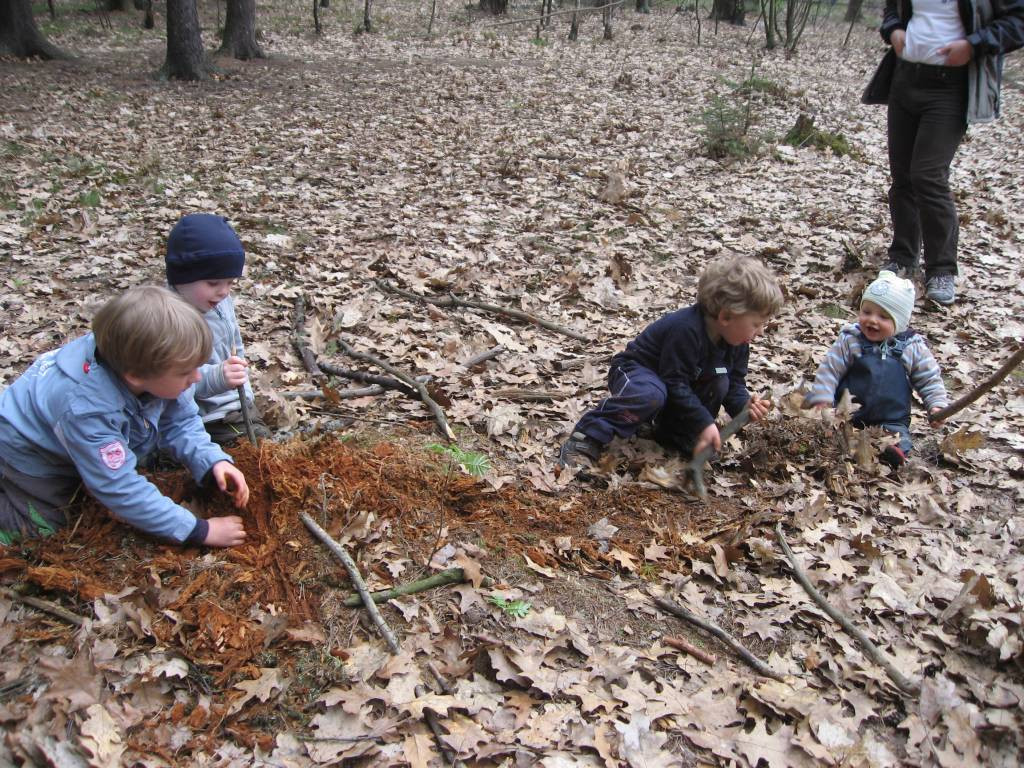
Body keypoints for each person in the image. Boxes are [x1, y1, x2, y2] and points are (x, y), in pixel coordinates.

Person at [0, 286, 249, 547]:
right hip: (27, 447)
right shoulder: (88, 409)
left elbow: (181, 422)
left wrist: (212, 462)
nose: (197, 378)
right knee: (43, 527)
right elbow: (117, 486)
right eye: (186, 372)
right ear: (136, 376)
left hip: (69, 432)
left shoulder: (150, 365)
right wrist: (198, 530)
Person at [559, 256, 784, 468]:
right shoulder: (686, 329)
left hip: (675, 383)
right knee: (650, 393)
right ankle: (587, 436)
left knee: (719, 381)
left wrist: (745, 406)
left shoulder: (737, 341)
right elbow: (674, 382)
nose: (761, 332)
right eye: (756, 324)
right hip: (638, 372)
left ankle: (676, 433)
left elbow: (734, 383)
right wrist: (704, 423)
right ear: (725, 316)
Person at [877, 0, 1024, 305]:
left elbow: (1018, 19)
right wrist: (894, 30)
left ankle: (941, 269)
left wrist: (974, 44)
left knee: (927, 175)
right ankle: (902, 258)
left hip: (951, 86)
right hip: (905, 78)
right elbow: (892, 9)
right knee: (902, 176)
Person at [804, 271, 949, 467]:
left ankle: (891, 454)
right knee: (836, 436)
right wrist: (823, 396)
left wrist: (936, 404)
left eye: (883, 316)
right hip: (847, 415)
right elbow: (830, 369)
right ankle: (842, 447)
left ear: (900, 322)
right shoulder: (851, 340)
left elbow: (929, 379)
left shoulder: (912, 347)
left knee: (898, 438)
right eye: (867, 312)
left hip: (891, 420)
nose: (872, 320)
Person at [165, 213, 271, 445]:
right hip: (203, 417)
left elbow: (235, 345)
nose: (223, 291)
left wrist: (243, 384)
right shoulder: (168, 319)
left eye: (230, 282)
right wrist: (217, 377)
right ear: (181, 278)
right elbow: (169, 380)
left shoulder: (221, 302)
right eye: (213, 283)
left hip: (235, 405)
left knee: (266, 446)